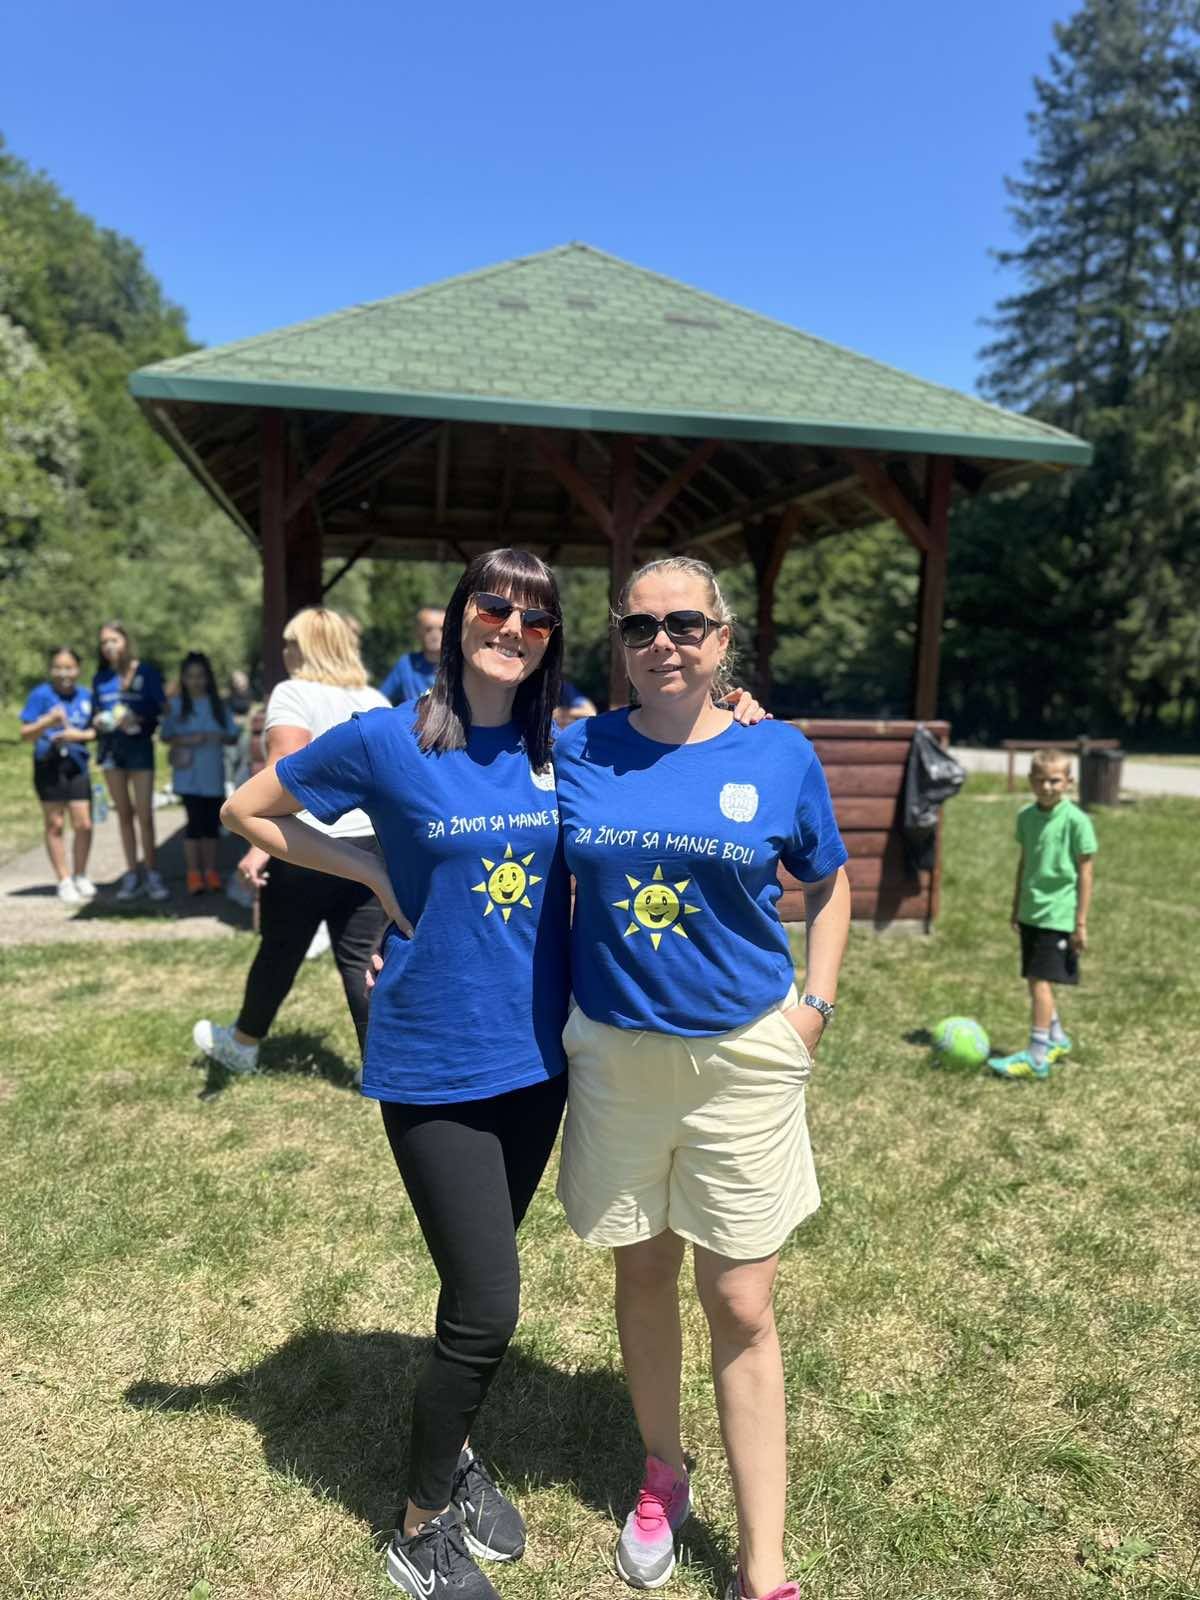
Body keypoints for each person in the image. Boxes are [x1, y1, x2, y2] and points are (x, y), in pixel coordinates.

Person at [222, 552, 572, 1600]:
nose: (511, 627)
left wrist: (737, 705)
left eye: (535, 617)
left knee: (473, 1283)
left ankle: (451, 1453)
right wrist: (368, 865)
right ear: (460, 617)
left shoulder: (563, 746)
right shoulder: (389, 735)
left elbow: (673, 737)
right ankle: (419, 1528)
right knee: (491, 1307)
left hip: (539, 1061)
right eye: (494, 605)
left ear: (551, 640)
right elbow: (251, 809)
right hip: (432, 1057)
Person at [552, 555, 851, 1600]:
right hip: (616, 1058)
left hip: (742, 1061)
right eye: (640, 626)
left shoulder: (778, 752)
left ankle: (763, 1561)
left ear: (723, 638)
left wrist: (814, 1008)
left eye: (685, 624)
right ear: (620, 643)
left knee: (741, 1301)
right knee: (642, 1273)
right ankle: (663, 1473)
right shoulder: (576, 749)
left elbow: (827, 880)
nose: (662, 642)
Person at [192, 608, 390, 1076]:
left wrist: (259, 844)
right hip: (369, 844)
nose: (283, 653)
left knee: (280, 950)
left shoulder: (292, 693)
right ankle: (382, 1064)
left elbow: (285, 767)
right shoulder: (375, 698)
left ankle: (243, 1045)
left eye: (289, 644)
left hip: (306, 845)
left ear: (305, 649)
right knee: (362, 960)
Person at [988, 749, 1097, 1080]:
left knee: (1040, 981)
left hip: (1058, 913)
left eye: (1055, 780)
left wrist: (1080, 922)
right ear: (1030, 781)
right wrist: (1016, 905)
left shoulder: (1077, 821)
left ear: (1068, 782)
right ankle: (1057, 1038)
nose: (1047, 787)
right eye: (1040, 780)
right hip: (1030, 910)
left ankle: (1037, 1055)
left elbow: (1086, 872)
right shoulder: (1025, 817)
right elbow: (1025, 862)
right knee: (1035, 978)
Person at [92, 621, 169, 902]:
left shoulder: (145, 672)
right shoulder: (101, 678)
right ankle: (131, 874)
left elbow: (162, 707)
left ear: (125, 641)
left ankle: (152, 873)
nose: (109, 646)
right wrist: (100, 721)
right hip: (111, 751)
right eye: (104, 642)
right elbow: (95, 713)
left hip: (140, 749)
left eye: (114, 640)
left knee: (144, 814)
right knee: (123, 815)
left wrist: (138, 716)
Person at [19, 646, 97, 904]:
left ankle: (81, 874)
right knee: (55, 824)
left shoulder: (86, 696)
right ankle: (64, 879)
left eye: (69, 667)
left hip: (77, 764)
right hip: (48, 764)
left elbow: (96, 731)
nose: (64, 673)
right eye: (58, 668)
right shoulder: (40, 695)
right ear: (51, 670)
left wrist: (77, 735)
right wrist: (46, 722)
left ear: (78, 670)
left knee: (84, 823)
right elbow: (25, 734)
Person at [161, 653, 239, 895]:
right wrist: (189, 739)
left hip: (213, 774)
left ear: (208, 678)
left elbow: (233, 735)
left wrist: (220, 736)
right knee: (194, 825)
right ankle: (194, 874)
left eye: (200, 676)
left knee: (211, 826)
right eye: (191, 676)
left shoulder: (218, 705)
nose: (196, 681)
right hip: (188, 777)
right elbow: (165, 736)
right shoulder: (176, 706)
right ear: (183, 679)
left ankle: (211, 871)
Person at [380, 605, 445, 705]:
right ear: (417, 632)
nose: (435, 635)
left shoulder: (462, 666)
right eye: (428, 629)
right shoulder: (406, 665)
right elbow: (379, 700)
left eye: (442, 629)